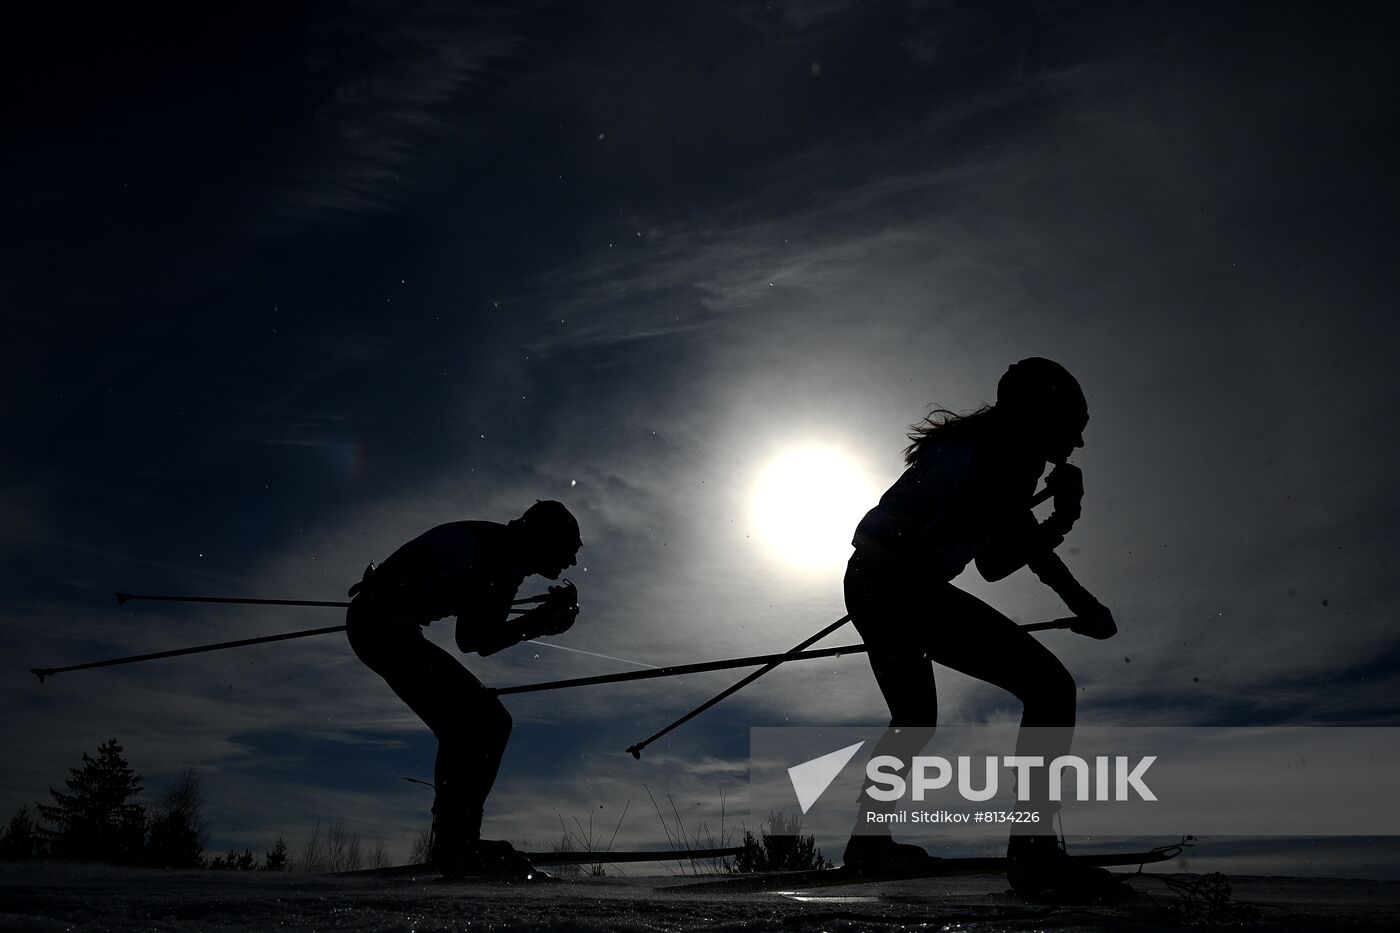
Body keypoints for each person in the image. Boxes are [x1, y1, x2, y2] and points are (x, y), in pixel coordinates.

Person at [842, 358, 1118, 897]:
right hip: (902, 587)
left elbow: (993, 563)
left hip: (872, 582)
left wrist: (1060, 518)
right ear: (1042, 413)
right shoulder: (1009, 448)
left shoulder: (992, 445)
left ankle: (868, 842)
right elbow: (1026, 553)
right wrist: (1085, 602)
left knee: (915, 719)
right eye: (1074, 422)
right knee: (1049, 688)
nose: (1080, 441)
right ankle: (1033, 852)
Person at [345, 499, 582, 876]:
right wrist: (542, 622)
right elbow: (476, 639)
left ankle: (455, 840)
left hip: (381, 624)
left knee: (470, 722)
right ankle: (457, 843)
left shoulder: (498, 544)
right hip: (382, 629)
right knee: (484, 722)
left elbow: (467, 614)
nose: (568, 564)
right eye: (567, 550)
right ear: (544, 540)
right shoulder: (504, 557)